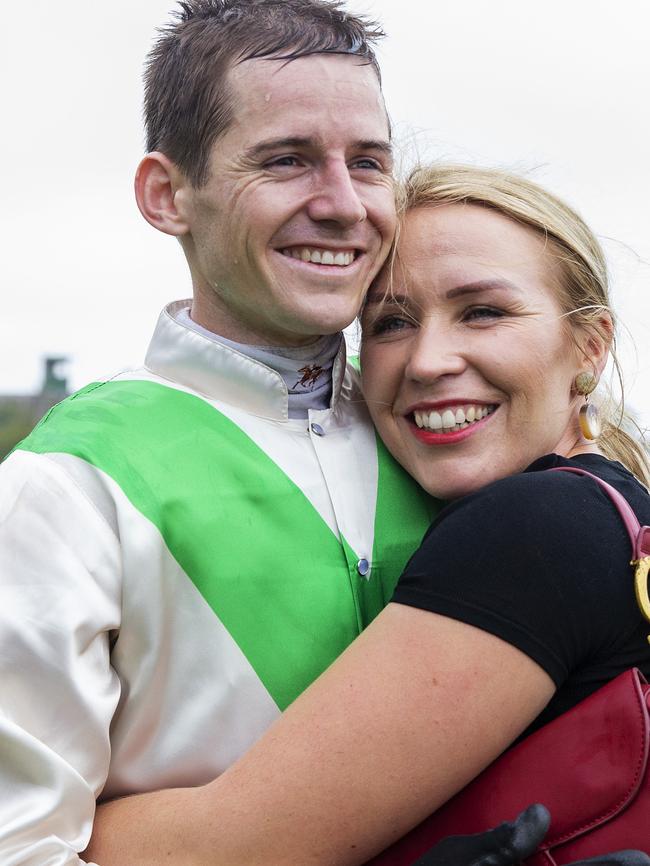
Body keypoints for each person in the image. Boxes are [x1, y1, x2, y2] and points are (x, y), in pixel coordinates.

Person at [0, 2, 577, 864]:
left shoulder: (449, 430)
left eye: (370, 162)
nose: (345, 206)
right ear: (167, 196)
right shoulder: (65, 484)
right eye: (287, 161)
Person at [83, 164, 650, 866]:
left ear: (590, 345)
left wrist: (60, 807)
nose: (428, 361)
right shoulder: (618, 508)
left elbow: (224, 850)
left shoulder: (535, 527)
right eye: (390, 323)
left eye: (482, 312)